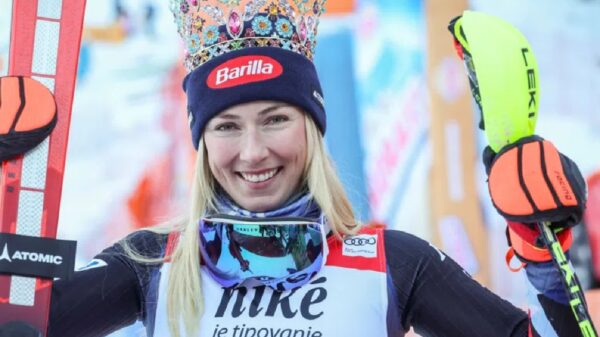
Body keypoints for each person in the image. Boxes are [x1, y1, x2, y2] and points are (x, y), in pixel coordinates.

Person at [0, 3, 592, 337]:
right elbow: (17, 325)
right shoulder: (153, 262)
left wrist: (545, 253)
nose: (253, 152)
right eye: (226, 126)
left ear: (312, 123)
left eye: (276, 118)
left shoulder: (393, 261)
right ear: (202, 141)